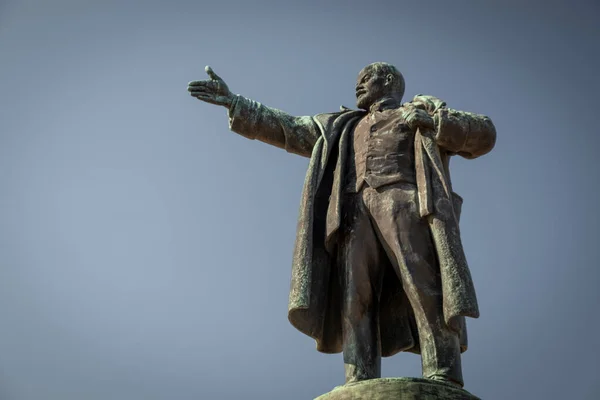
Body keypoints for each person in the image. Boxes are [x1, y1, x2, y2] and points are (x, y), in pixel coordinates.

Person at [188, 62, 496, 387]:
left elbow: (484, 134)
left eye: (365, 79)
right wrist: (236, 103)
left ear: (388, 80)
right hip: (352, 214)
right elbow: (288, 127)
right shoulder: (343, 125)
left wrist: (436, 123)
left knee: (424, 285)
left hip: (405, 201)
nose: (358, 86)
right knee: (354, 297)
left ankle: (443, 372)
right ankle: (359, 379)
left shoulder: (420, 109)